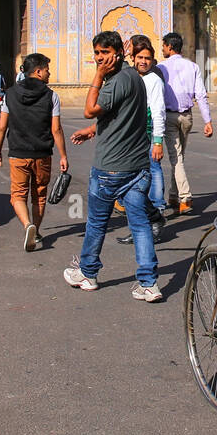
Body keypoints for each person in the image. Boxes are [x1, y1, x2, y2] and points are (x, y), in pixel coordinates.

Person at [64, 31, 161, 302]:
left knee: (96, 223)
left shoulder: (116, 80)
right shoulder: (133, 78)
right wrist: (94, 130)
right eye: (96, 53)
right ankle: (149, 284)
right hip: (137, 168)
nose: (99, 59)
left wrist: (97, 77)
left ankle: (87, 273)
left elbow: (90, 108)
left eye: (104, 53)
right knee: (140, 225)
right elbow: (122, 118)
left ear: (117, 53)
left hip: (111, 168)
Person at [0, 54, 67, 252]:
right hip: (42, 153)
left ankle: (27, 225)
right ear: (38, 71)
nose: (49, 73)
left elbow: (1, 127)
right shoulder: (51, 96)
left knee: (18, 195)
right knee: (39, 196)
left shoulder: (10, 94)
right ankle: (36, 231)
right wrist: (63, 155)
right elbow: (56, 129)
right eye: (47, 69)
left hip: (18, 153)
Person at [157, 31, 212, 215]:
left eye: (163, 45)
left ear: (170, 47)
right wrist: (208, 120)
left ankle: (185, 197)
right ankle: (173, 195)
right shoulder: (193, 67)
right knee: (178, 157)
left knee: (176, 157)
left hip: (169, 116)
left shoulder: (161, 68)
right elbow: (201, 96)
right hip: (187, 117)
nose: (162, 48)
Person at [118, 35, 166, 245]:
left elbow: (158, 112)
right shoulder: (128, 76)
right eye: (140, 57)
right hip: (127, 138)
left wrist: (157, 141)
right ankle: (152, 217)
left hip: (145, 138)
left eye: (147, 58)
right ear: (133, 57)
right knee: (125, 185)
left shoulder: (153, 80)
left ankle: (149, 222)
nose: (143, 61)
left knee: (141, 181)